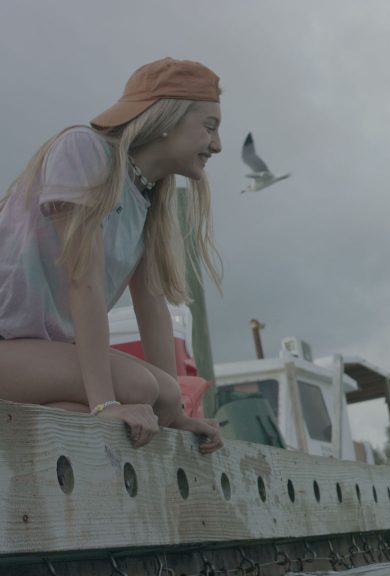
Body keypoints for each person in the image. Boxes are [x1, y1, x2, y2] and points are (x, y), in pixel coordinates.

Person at [0, 58, 225, 453]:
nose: (217, 145)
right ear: (166, 118)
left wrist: (174, 410)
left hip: (38, 357)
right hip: (8, 345)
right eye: (209, 127)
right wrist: (105, 403)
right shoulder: (83, 150)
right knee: (139, 388)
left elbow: (152, 303)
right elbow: (82, 279)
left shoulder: (148, 195)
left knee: (139, 405)